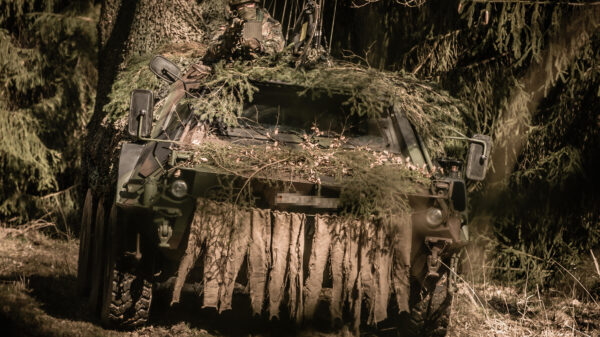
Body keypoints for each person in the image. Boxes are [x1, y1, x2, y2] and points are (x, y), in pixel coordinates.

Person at [205, 0, 285, 61]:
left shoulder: (271, 24)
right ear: (236, 8)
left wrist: (259, 47)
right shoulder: (229, 25)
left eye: (249, 4)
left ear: (255, 4)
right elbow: (211, 51)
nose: (245, 8)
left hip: (261, 69)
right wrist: (226, 44)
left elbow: (277, 49)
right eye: (241, 6)